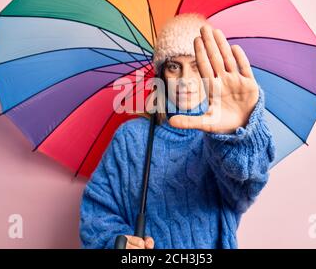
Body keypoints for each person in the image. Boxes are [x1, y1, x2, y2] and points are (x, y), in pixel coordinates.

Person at [79, 13, 276, 249]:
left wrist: (237, 136)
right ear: (161, 74)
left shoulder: (220, 138)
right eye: (174, 67)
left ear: (211, 71)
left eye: (196, 66)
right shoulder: (130, 138)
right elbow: (96, 216)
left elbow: (247, 187)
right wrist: (119, 244)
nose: (186, 80)